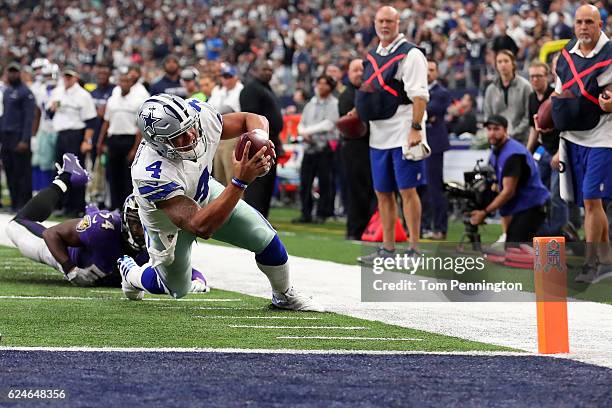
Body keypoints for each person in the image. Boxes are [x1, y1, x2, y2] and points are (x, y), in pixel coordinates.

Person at [120, 93, 321, 311]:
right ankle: (132, 274)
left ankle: (283, 294)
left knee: (264, 237)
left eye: (190, 127)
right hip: (170, 225)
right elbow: (200, 226)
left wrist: (259, 140)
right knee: (176, 288)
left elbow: (251, 119)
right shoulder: (149, 172)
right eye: (178, 137)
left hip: (204, 191)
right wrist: (240, 182)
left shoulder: (200, 116)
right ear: (158, 143)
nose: (190, 136)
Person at [6, 152, 209, 291]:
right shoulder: (103, 228)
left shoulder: (155, 244)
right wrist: (70, 269)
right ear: (126, 221)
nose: (141, 231)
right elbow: (52, 234)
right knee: (15, 225)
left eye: (146, 224)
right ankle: (66, 178)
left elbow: (183, 270)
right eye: (137, 224)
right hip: (68, 254)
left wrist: (198, 280)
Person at [354, 6, 429, 263]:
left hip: (403, 130)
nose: (385, 25)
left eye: (390, 21)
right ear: (375, 23)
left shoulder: (412, 54)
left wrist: (416, 129)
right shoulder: (372, 55)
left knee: (407, 190)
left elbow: (420, 95)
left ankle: (415, 248)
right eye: (381, 21)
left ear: (398, 23)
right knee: (382, 192)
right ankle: (387, 248)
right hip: (378, 134)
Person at [553, 4, 612, 283]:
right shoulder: (565, 56)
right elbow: (559, 96)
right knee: (586, 201)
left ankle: (590, 264)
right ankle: (607, 259)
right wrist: (556, 141)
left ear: (600, 25)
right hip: (572, 137)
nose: (584, 27)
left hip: (603, 136)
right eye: (579, 22)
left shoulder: (610, 55)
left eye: (589, 22)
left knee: (591, 199)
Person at [470, 115, 550, 245]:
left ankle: (560, 235)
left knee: (517, 249)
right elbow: (498, 188)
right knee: (512, 245)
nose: (492, 133)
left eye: (496, 129)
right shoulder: (496, 151)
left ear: (506, 130)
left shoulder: (513, 154)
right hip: (521, 205)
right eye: (489, 129)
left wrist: (484, 212)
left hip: (533, 205)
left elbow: (508, 192)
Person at [97, 71, 149, 210]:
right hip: (113, 138)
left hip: (129, 139)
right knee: (113, 175)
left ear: (131, 83)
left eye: (127, 81)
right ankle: (115, 206)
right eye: (122, 81)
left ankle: (128, 207)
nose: (124, 83)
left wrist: (134, 149)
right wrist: (100, 141)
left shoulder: (138, 100)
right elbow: (106, 122)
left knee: (128, 176)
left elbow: (140, 127)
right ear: (119, 82)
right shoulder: (112, 99)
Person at [49, 65, 97, 216]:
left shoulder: (83, 95)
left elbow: (91, 121)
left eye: (70, 77)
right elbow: (50, 114)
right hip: (60, 134)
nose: (67, 79)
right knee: (59, 170)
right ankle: (61, 204)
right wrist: (51, 108)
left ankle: (77, 207)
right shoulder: (57, 92)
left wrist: (86, 141)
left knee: (76, 172)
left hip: (76, 134)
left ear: (76, 78)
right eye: (65, 76)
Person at [239, 60, 284, 218]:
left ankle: (262, 218)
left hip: (270, 141)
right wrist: (256, 143)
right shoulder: (251, 89)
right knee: (258, 183)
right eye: (264, 69)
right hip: (259, 142)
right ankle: (254, 218)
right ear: (255, 70)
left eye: (271, 70)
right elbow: (250, 117)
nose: (268, 72)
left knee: (267, 183)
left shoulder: (266, 88)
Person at [293, 75, 339, 224]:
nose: (320, 86)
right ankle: (305, 213)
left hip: (324, 148)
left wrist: (307, 132)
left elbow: (328, 124)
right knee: (305, 183)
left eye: (324, 84)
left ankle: (322, 213)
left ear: (330, 87)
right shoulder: (311, 104)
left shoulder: (334, 104)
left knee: (325, 183)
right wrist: (302, 132)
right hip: (309, 148)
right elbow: (301, 123)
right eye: (319, 83)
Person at [338, 58, 375, 240]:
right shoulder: (347, 95)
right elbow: (355, 123)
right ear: (349, 74)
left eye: (362, 70)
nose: (359, 73)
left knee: (370, 191)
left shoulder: (369, 92)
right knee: (356, 191)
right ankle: (354, 230)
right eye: (355, 70)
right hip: (354, 148)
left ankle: (368, 229)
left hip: (369, 147)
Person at [421, 60, 452, 240]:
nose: (428, 73)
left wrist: (420, 111)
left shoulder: (441, 93)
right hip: (420, 142)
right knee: (420, 188)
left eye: (432, 70)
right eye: (426, 70)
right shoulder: (417, 91)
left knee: (434, 187)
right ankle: (423, 225)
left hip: (434, 145)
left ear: (437, 72)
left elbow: (430, 110)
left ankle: (440, 227)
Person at [0, 62, 36, 212]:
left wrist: (25, 139)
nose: (12, 74)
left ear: (20, 73)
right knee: (10, 171)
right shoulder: (7, 92)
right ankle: (14, 203)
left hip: (19, 137)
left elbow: (29, 118)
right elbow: (4, 116)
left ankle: (24, 205)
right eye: (10, 72)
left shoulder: (26, 92)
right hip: (6, 137)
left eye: (15, 72)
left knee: (22, 173)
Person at [483, 50, 532, 144]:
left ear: (513, 64)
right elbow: (488, 116)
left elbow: (528, 117)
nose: (503, 65)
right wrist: (495, 133)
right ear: (496, 65)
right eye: (499, 62)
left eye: (506, 61)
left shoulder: (525, 87)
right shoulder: (491, 89)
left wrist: (511, 134)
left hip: (521, 140)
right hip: (497, 140)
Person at [208, 65, 244, 186]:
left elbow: (228, 110)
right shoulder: (218, 91)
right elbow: (209, 108)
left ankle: (236, 203)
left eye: (229, 77)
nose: (226, 80)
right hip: (218, 134)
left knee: (231, 174)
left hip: (234, 135)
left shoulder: (240, 90)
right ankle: (221, 204)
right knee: (219, 175)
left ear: (236, 77)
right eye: (224, 77)